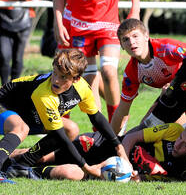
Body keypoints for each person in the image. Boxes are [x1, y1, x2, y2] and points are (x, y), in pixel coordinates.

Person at [0, 49, 129, 183]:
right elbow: (60, 137)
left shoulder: (82, 88)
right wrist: (85, 167)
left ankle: (21, 165)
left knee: (71, 129)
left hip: (30, 116)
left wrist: (119, 147)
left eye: (63, 77)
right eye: (55, 73)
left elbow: (96, 117)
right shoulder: (44, 93)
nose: (55, 80)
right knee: (21, 128)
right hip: (4, 104)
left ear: (76, 79)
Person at [9, 120, 186, 182]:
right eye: (180, 140)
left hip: (112, 170)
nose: (178, 145)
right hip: (104, 145)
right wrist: (123, 161)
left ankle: (27, 173)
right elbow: (133, 137)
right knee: (43, 155)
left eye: (185, 146)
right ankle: (5, 157)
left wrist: (135, 176)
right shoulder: (174, 130)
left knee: (70, 173)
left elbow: (146, 179)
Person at [111, 19, 186, 135]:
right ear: (122, 46)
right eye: (126, 39)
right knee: (146, 126)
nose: (131, 42)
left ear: (146, 36)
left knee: (169, 96)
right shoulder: (132, 72)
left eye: (135, 36)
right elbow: (122, 110)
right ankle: (185, 141)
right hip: (174, 94)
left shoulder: (166, 48)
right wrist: (111, 140)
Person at [0, 0, 42, 85]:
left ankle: (14, 87)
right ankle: (5, 87)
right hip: (3, 21)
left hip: (24, 22)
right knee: (4, 56)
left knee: (18, 57)